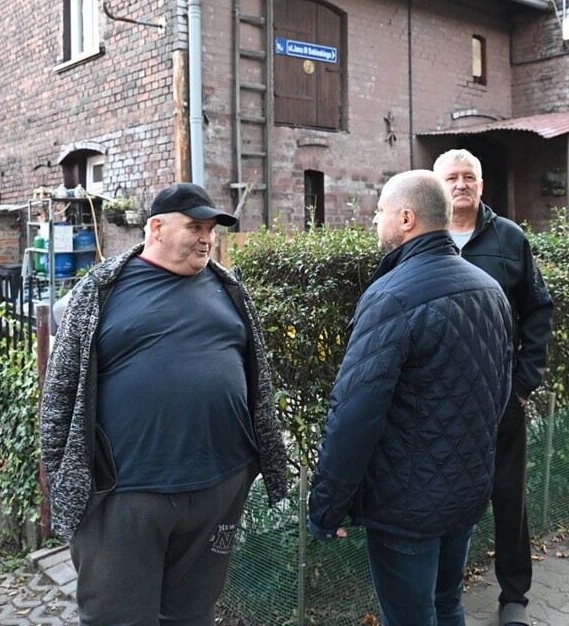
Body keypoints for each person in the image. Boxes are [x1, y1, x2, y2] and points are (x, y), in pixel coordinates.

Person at [41, 182, 289, 626]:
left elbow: (257, 373)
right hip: (126, 495)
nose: (206, 238)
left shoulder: (227, 286)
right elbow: (60, 391)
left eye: (211, 229)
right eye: (194, 226)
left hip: (218, 487)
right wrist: (61, 475)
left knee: (191, 614)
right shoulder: (102, 289)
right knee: (117, 617)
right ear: (156, 228)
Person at [307, 169, 513, 626]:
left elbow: (355, 414)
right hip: (465, 493)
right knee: (446, 605)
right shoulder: (489, 289)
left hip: (406, 507)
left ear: (405, 218)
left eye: (379, 211)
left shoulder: (392, 296)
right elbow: (500, 391)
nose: (373, 221)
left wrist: (326, 507)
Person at [433, 149, 553, 626]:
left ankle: (513, 599)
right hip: (438, 401)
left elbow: (538, 309)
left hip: (500, 398)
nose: (461, 185)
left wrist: (523, 384)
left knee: (508, 496)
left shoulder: (509, 237)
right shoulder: (423, 234)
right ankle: (444, 595)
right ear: (436, 185)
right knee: (438, 495)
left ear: (482, 185)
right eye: (451, 178)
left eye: (470, 177)